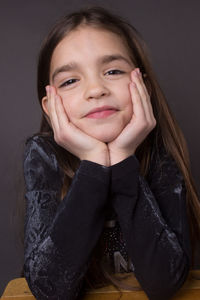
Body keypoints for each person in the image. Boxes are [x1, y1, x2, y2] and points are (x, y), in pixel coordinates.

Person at [22, 5, 200, 300]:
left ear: (142, 86)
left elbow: (165, 282)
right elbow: (49, 289)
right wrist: (93, 163)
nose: (95, 89)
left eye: (113, 71)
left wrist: (122, 160)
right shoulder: (43, 155)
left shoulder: (157, 153)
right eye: (70, 81)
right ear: (50, 106)